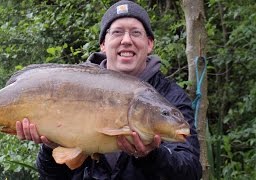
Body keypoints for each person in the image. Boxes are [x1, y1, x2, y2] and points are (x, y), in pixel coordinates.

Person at [16, 0, 202, 179]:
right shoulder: (72, 85)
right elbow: (50, 176)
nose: (126, 40)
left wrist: (152, 155)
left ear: (150, 44)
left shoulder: (170, 97)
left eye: (136, 33)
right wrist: (49, 147)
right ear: (103, 44)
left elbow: (191, 170)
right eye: (117, 32)